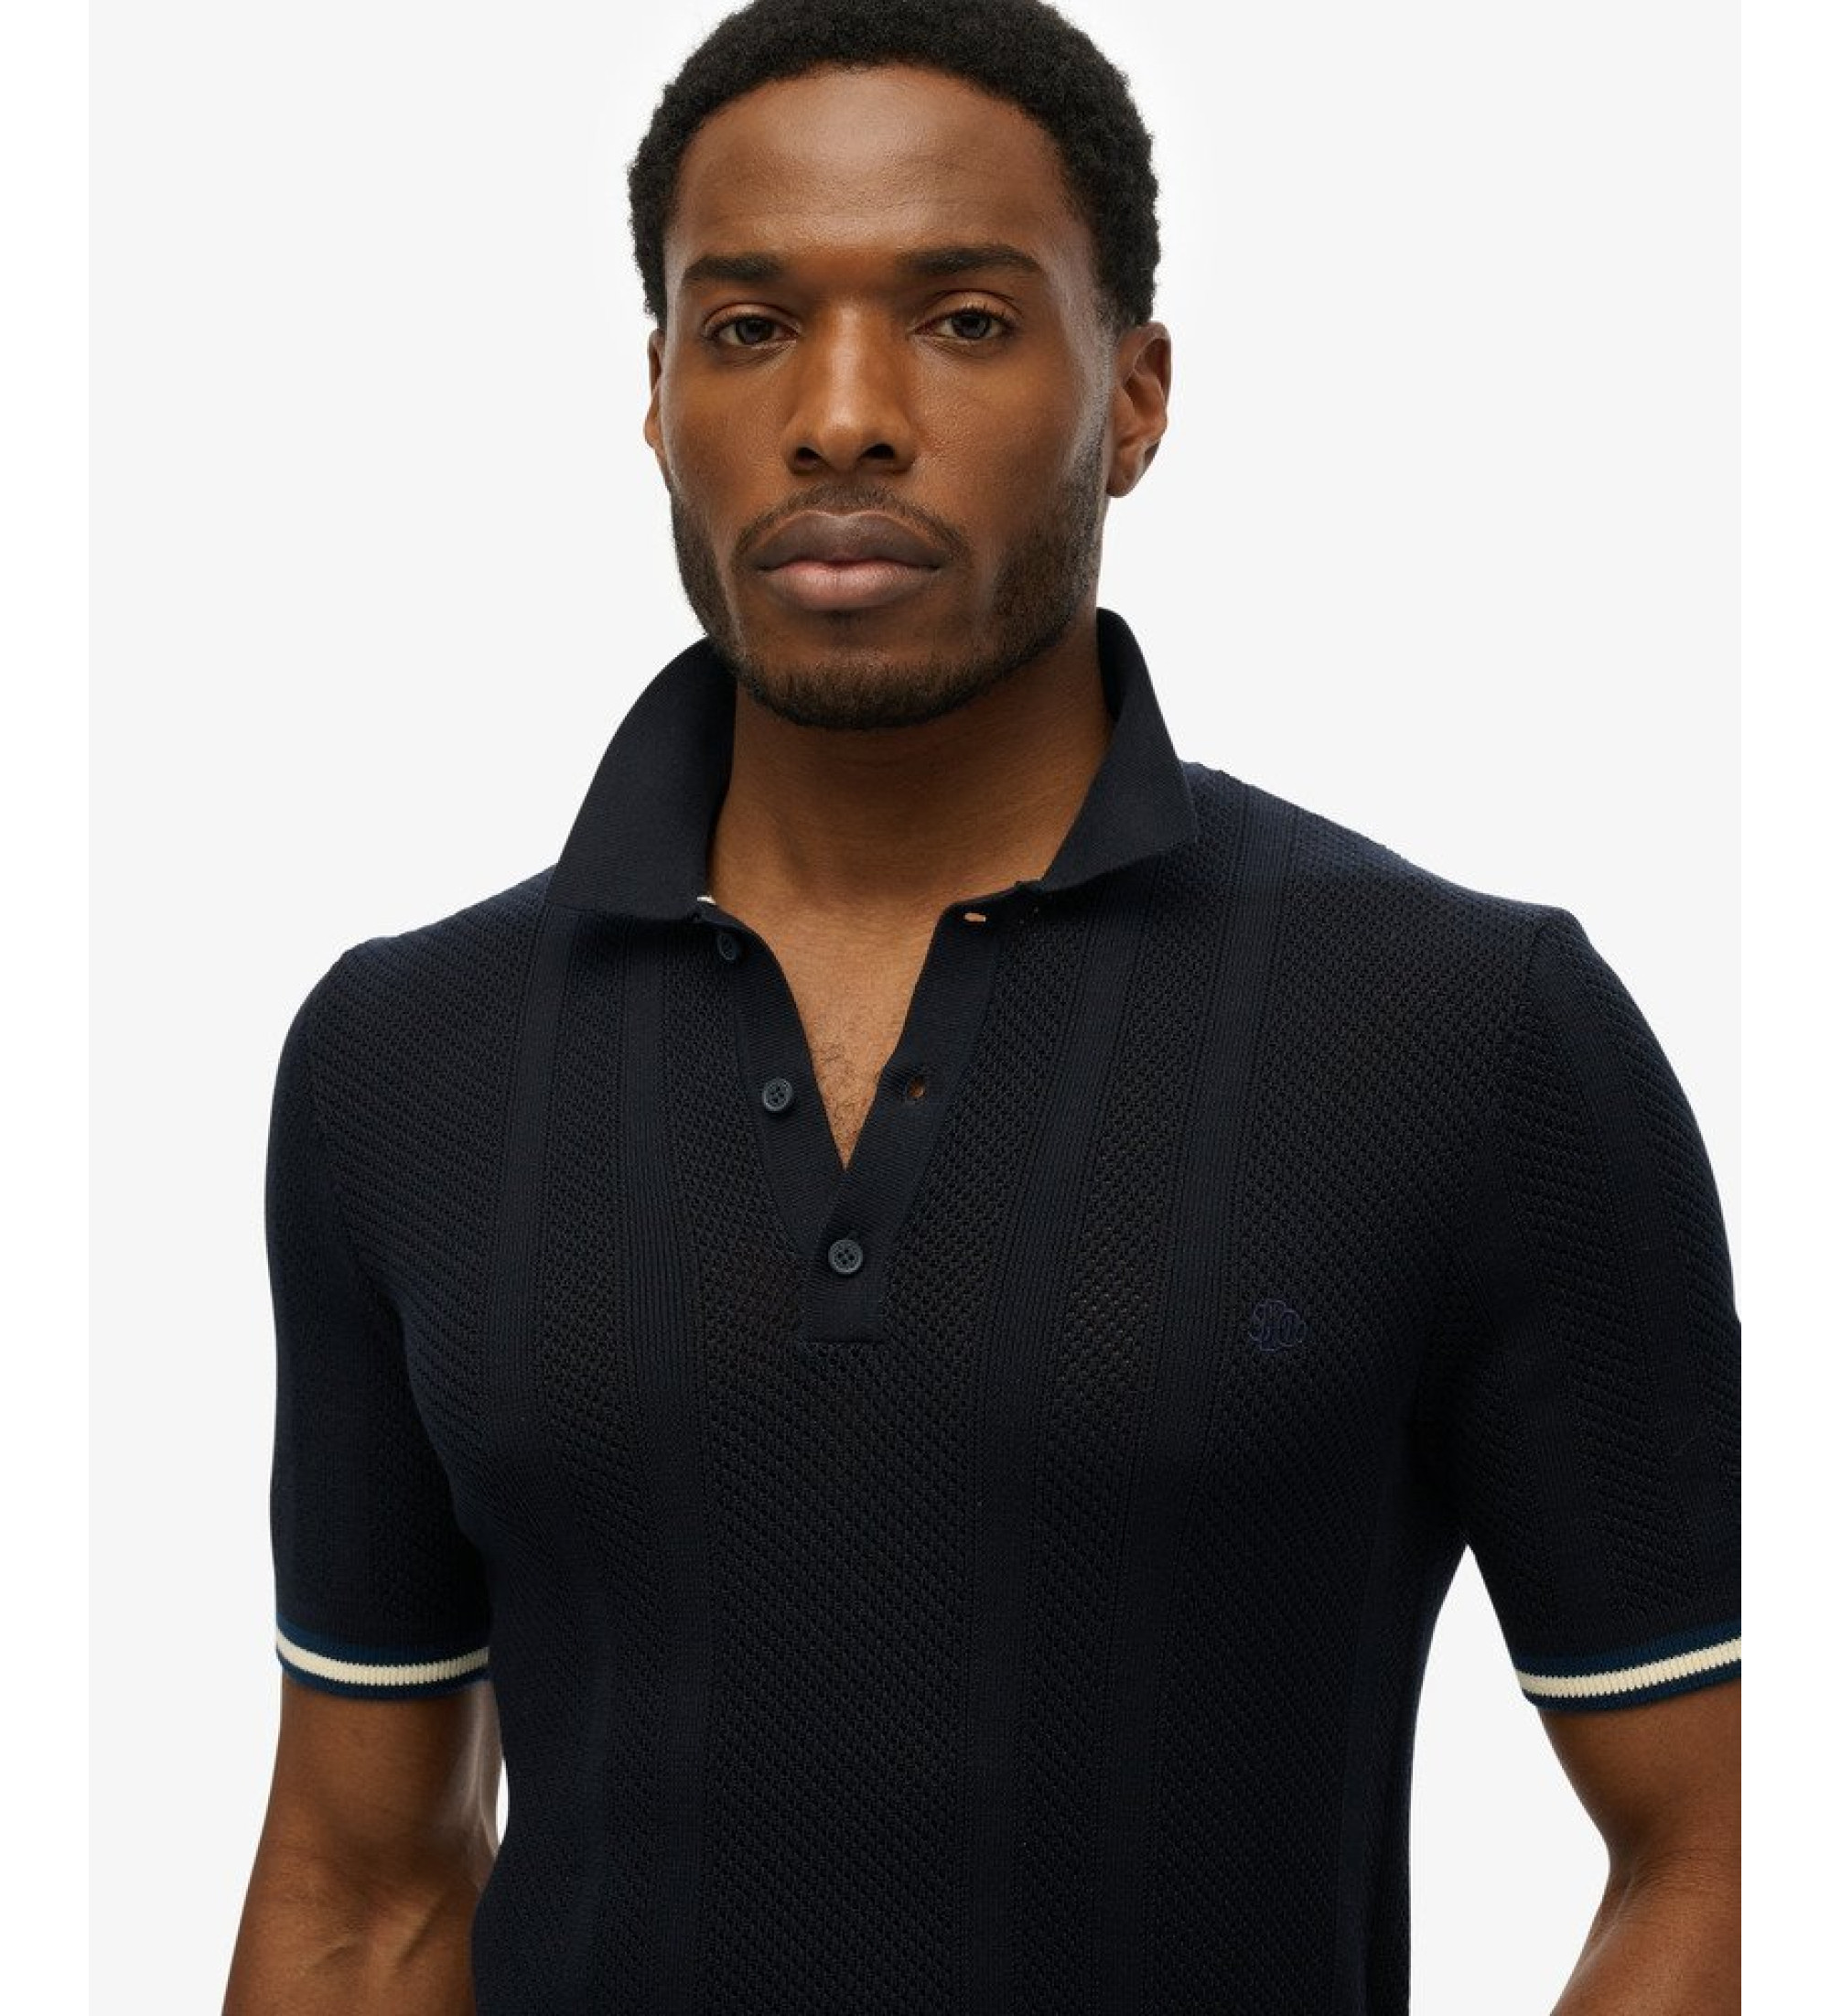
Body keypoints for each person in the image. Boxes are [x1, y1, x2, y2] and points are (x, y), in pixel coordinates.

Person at [224, 2, 1740, 2011]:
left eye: (960, 319)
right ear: (657, 394)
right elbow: (365, 1890)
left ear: (1134, 395)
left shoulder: (1470, 1036)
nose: (842, 415)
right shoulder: (402, 1061)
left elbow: (1721, 1848)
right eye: (748, 325)